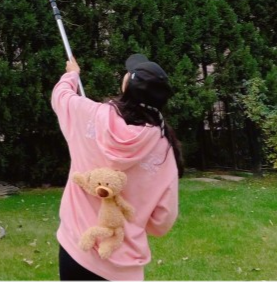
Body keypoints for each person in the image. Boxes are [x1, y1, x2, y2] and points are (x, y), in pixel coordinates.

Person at [52, 53, 184, 282]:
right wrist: (137, 219)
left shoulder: (90, 116)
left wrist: (71, 74)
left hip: (76, 250)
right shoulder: (164, 150)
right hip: (124, 267)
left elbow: (61, 97)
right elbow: (163, 220)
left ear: (127, 85)